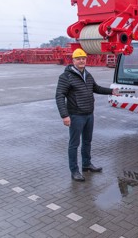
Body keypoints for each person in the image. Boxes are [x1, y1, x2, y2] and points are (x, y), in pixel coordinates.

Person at [56, 48, 119, 182]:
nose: (81, 60)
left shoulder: (87, 74)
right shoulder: (66, 77)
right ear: (73, 60)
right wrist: (64, 115)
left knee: (87, 141)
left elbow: (96, 88)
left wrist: (112, 91)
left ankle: (86, 164)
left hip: (89, 114)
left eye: (83, 58)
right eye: (78, 58)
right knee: (74, 144)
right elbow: (59, 96)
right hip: (75, 115)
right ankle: (74, 171)